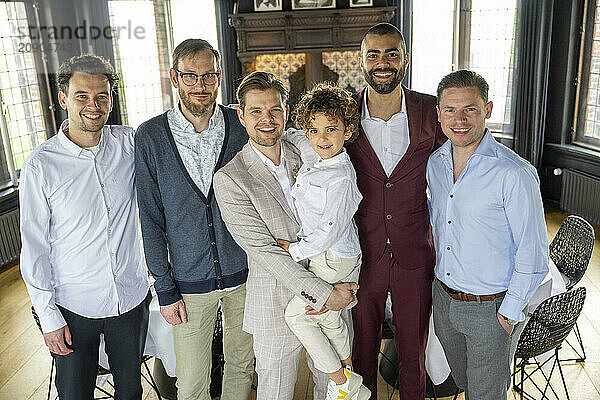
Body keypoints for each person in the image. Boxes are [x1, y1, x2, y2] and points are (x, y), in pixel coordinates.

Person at [213, 71, 358, 400]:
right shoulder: (231, 178)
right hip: (276, 301)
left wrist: (343, 282)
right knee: (275, 392)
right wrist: (323, 294)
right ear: (241, 115)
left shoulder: (306, 151)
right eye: (256, 111)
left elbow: (339, 210)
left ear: (286, 111)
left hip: (332, 283)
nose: (267, 119)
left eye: (274, 110)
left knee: (335, 388)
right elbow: (264, 251)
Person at [19, 54, 150, 399]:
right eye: (82, 96)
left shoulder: (129, 143)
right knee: (75, 394)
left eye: (102, 96)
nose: (93, 106)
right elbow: (35, 247)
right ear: (63, 99)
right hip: (74, 305)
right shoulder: (40, 165)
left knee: (130, 391)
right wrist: (48, 318)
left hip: (131, 297)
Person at [135, 39, 254, 400]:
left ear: (220, 78)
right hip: (187, 283)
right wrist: (165, 288)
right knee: (190, 383)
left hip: (246, 273)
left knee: (241, 365)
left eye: (208, 76)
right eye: (190, 76)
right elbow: (150, 218)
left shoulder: (241, 124)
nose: (200, 85)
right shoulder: (151, 135)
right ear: (174, 77)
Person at [427, 70, 549, 399]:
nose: (459, 119)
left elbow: (535, 257)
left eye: (471, 109)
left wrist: (507, 316)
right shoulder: (435, 164)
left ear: (488, 110)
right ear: (438, 113)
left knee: (486, 395)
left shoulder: (515, 173)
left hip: (490, 310)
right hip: (444, 301)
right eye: (450, 110)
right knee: (466, 384)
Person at [346, 23, 447, 399]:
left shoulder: (430, 110)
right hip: (361, 254)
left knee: (412, 355)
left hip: (415, 252)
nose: (382, 62)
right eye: (373, 54)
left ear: (406, 58)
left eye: (391, 53)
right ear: (362, 61)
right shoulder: (345, 114)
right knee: (362, 353)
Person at [275, 83, 370, 400]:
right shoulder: (313, 151)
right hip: (323, 255)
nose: (322, 138)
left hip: (333, 254)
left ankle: (341, 382)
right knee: (328, 317)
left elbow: (329, 230)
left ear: (347, 130)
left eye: (331, 129)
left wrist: (294, 251)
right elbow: (294, 136)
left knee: (296, 316)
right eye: (315, 130)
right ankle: (348, 372)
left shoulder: (341, 176)